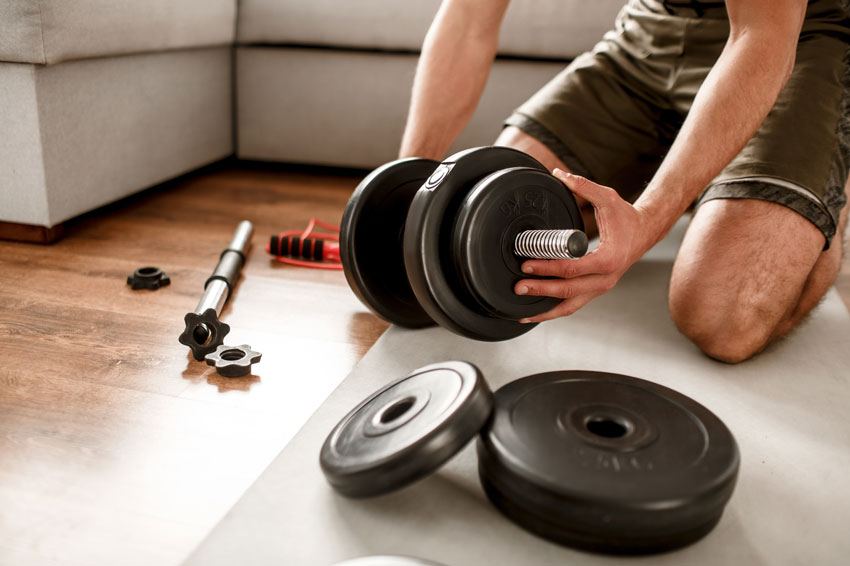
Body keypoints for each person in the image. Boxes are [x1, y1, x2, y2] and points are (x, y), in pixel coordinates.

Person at [398, 0, 850, 363]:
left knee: (723, 319)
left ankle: (830, 185)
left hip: (795, 40)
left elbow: (761, 36)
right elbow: (469, 16)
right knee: (480, 215)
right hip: (651, 37)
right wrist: (412, 183)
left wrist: (646, 220)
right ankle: (686, 169)